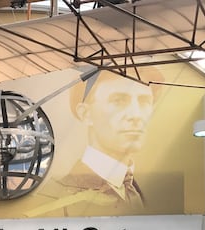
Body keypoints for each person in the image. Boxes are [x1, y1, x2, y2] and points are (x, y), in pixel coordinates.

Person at [25, 69, 179, 217]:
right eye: (119, 101)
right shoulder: (53, 199)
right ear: (86, 114)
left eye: (144, 102)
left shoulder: (151, 194)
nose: (136, 115)